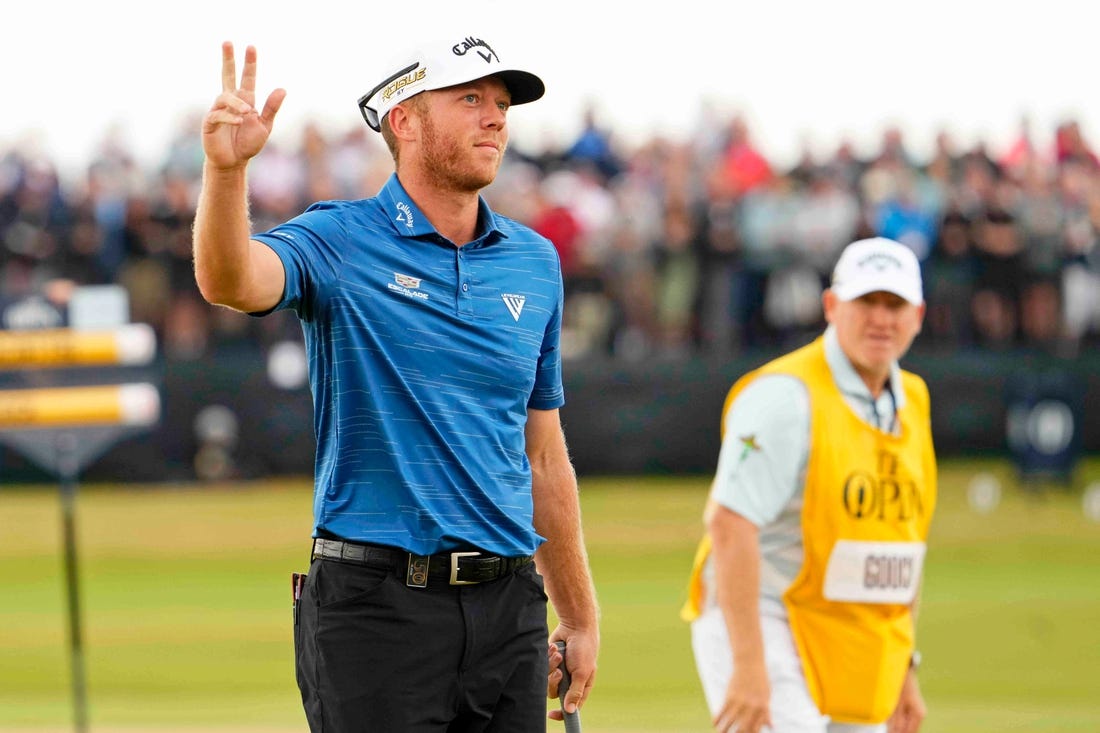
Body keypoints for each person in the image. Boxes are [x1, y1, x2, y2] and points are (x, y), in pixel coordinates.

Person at [192, 36, 599, 732]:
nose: (495, 117)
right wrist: (226, 173)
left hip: (511, 611)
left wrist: (579, 612)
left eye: (501, 103)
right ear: (404, 120)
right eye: (470, 98)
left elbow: (543, 455)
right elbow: (231, 281)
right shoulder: (341, 238)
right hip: (376, 608)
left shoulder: (535, 261)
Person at [681, 236, 937, 733]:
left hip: (852, 635)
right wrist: (748, 667)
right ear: (832, 305)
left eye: (895, 304)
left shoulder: (913, 401)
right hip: (765, 618)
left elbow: (900, 543)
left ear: (919, 314)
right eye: (867, 302)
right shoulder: (783, 397)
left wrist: (905, 667)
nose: (881, 319)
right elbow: (730, 525)